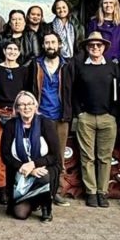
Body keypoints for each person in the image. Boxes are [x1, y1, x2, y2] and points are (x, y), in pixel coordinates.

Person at [72, 32, 119, 208]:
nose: (95, 48)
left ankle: (102, 192)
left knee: (105, 157)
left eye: (98, 45)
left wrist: (114, 114)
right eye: (91, 45)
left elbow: (117, 92)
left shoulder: (112, 67)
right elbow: (75, 92)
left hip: (107, 118)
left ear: (104, 48)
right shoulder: (82, 67)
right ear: (87, 47)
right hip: (87, 118)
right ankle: (91, 192)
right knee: (87, 157)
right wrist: (80, 113)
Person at [30, 32, 75, 207]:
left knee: (58, 155)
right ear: (43, 45)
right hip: (40, 117)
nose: (50, 45)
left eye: (53, 42)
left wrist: (71, 112)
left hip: (60, 117)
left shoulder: (67, 65)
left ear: (60, 45)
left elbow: (73, 90)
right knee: (38, 153)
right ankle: (37, 190)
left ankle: (56, 191)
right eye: (47, 42)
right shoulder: (36, 65)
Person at [1, 91, 61, 223]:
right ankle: (32, 200)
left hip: (43, 169)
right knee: (20, 214)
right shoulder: (11, 125)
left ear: (35, 106)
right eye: (22, 105)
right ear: (16, 108)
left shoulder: (46, 124)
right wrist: (25, 167)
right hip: (20, 172)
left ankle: (46, 206)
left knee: (43, 175)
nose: (26, 107)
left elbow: (54, 155)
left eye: (29, 104)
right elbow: (5, 155)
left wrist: (33, 164)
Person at [0, 40, 31, 204]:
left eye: (15, 49)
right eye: (9, 49)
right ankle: (2, 188)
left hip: (17, 114)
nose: (12, 51)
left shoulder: (24, 71)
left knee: (17, 150)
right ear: (4, 51)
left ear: (19, 52)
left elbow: (27, 93)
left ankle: (18, 185)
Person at [86, 0, 120, 65]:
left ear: (115, 5)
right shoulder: (94, 22)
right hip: (97, 60)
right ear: (101, 5)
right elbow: (89, 43)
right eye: (105, 3)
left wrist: (118, 59)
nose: (108, 5)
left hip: (116, 61)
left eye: (111, 2)